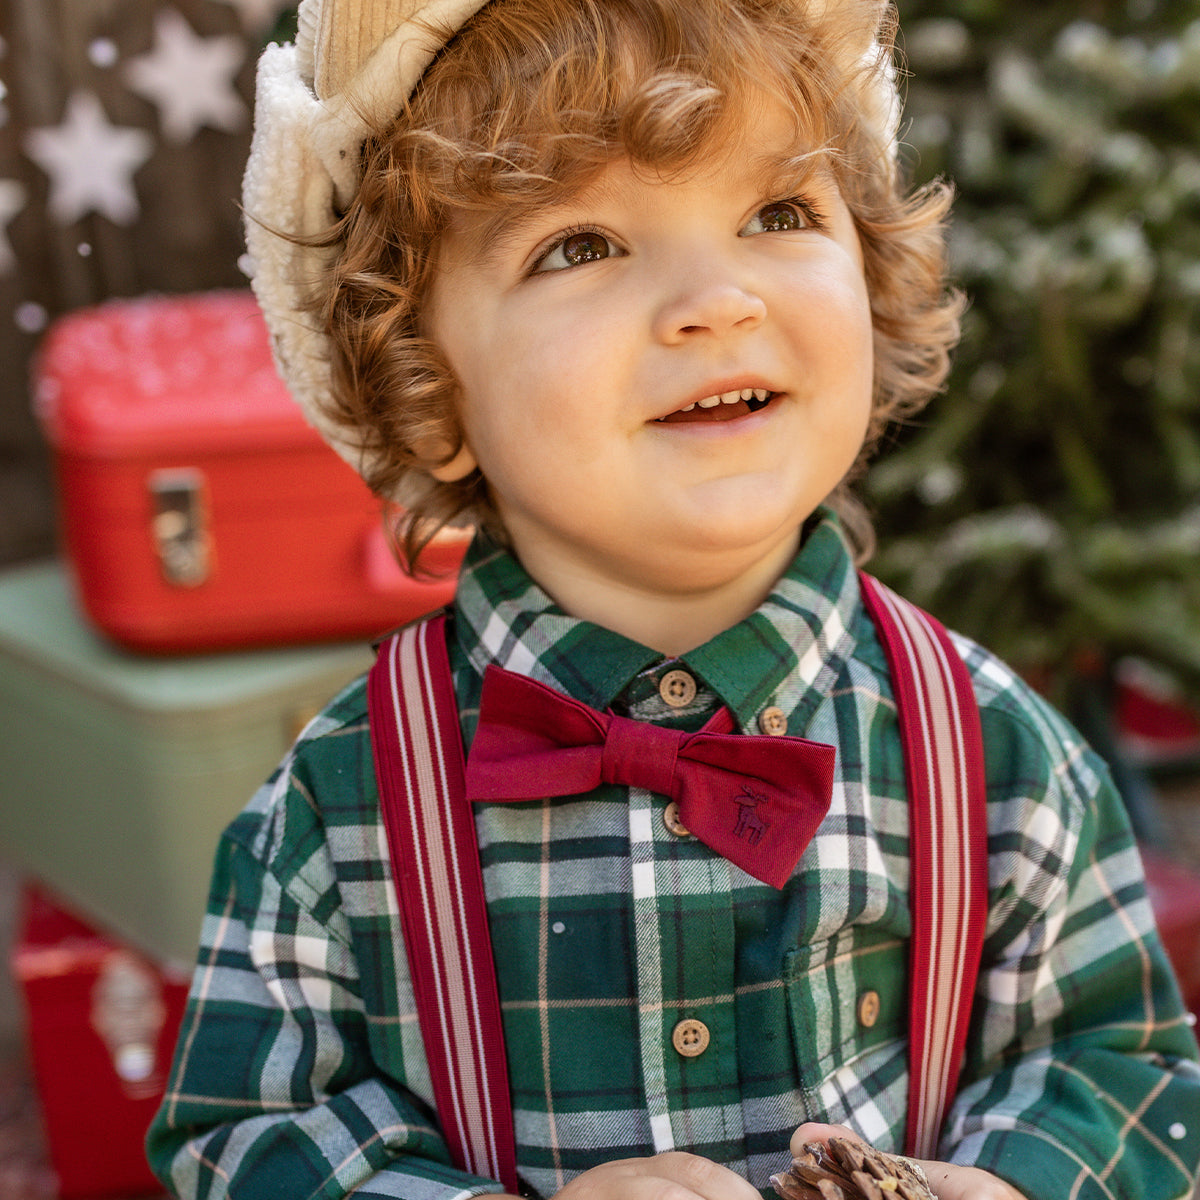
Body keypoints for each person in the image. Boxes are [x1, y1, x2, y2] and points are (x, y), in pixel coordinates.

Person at [146, 0, 1200, 1197]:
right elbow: (243, 1147)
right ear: (429, 388)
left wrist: (1017, 1184)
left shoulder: (999, 756)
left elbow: (1127, 1069)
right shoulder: (334, 812)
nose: (717, 298)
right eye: (581, 245)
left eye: (778, 213)